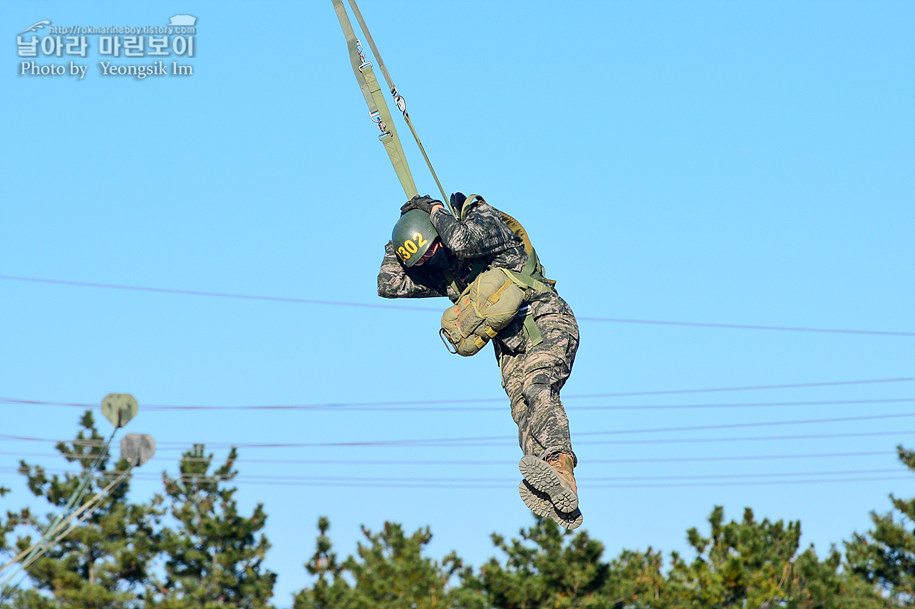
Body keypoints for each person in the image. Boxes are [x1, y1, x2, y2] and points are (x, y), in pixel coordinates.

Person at [377, 193, 582, 529]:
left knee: (537, 386)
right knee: (522, 410)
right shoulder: (448, 270)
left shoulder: (485, 225)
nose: (431, 262)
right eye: (423, 260)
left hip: (545, 319)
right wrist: (399, 235)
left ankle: (560, 467)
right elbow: (389, 283)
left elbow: (461, 240)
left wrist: (434, 211)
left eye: (431, 251)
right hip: (511, 344)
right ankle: (555, 491)